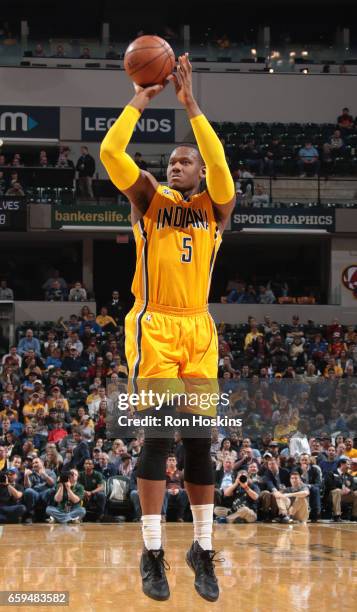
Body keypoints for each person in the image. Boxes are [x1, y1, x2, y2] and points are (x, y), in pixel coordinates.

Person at [100, 52, 235, 602]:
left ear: (200, 171)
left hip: (199, 332)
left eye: (187, 161)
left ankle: (202, 549)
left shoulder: (215, 209)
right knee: (157, 439)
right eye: (173, 160)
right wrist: (141, 97)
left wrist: (191, 105)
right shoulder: (150, 199)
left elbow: (223, 168)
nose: (177, 165)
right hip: (154, 326)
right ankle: (152, 552)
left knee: (202, 445)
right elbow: (111, 151)